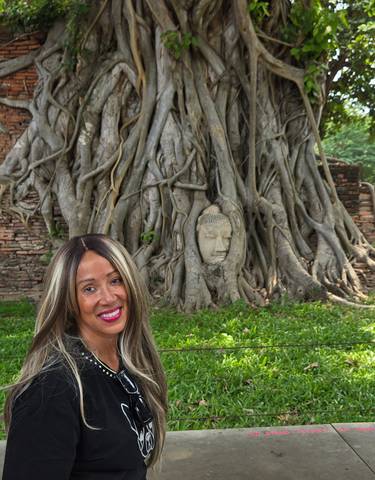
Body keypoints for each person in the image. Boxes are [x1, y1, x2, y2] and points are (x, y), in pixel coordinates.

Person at [3, 234, 168, 480]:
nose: (109, 297)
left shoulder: (125, 363)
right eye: (89, 288)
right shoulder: (51, 390)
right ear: (68, 300)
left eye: (115, 280)